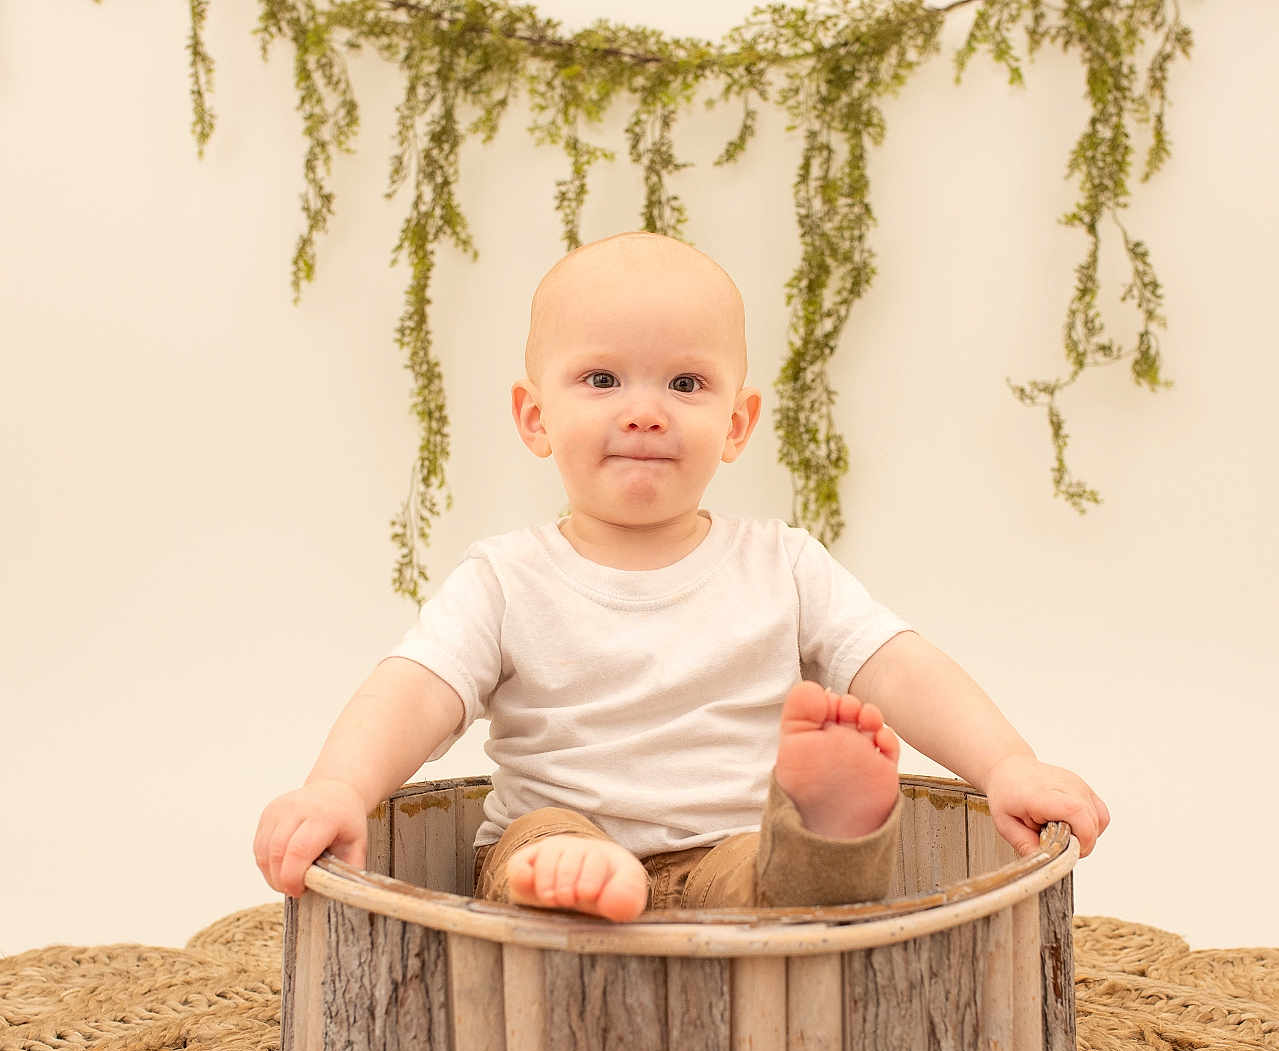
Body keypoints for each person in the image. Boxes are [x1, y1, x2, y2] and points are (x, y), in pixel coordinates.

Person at [254, 232, 1109, 922]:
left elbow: (897, 664)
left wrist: (1005, 764)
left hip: (729, 859)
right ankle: (579, 879)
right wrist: (339, 786)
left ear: (736, 424)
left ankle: (823, 843)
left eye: (685, 383)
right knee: (535, 842)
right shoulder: (507, 579)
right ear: (534, 416)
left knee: (777, 872)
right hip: (557, 842)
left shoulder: (782, 565)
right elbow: (413, 690)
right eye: (600, 378)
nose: (643, 410)